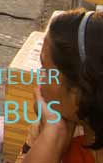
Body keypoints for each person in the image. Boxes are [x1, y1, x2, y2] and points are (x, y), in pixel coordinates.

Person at [16, 9, 103, 163]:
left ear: (78, 92)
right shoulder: (59, 118)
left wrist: (51, 139)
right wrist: (53, 132)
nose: (39, 81)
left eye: (46, 70)